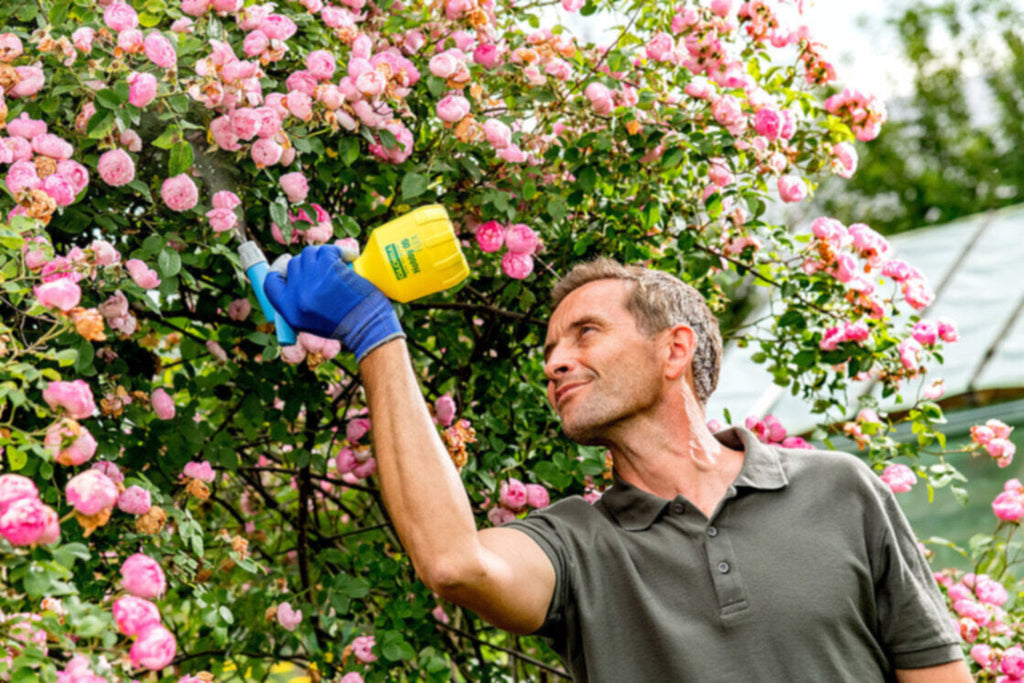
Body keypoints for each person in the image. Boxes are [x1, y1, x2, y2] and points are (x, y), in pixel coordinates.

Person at [265, 248, 972, 683]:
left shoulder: (839, 489)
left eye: (586, 333)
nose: (556, 362)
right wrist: (375, 335)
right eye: (549, 351)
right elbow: (455, 562)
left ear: (673, 351)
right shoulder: (575, 544)